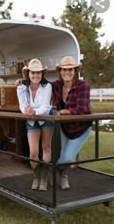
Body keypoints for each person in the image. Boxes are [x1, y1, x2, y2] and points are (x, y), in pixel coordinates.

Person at [52, 56, 92, 190]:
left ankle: (51, 170)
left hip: (81, 127)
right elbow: (41, 83)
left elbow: (82, 109)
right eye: (64, 69)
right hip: (65, 127)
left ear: (75, 71)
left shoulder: (83, 86)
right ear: (60, 71)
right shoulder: (57, 85)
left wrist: (64, 111)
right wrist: (23, 81)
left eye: (70, 69)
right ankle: (64, 177)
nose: (67, 72)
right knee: (64, 154)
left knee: (67, 157)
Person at [16, 59, 54, 191]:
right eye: (33, 72)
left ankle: (44, 177)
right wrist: (26, 111)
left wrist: (34, 111)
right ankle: (36, 175)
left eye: (38, 73)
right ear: (28, 73)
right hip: (31, 119)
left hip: (46, 117)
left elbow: (46, 106)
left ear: (42, 74)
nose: (36, 75)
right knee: (33, 152)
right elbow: (22, 105)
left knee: (46, 147)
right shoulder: (21, 87)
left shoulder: (47, 86)